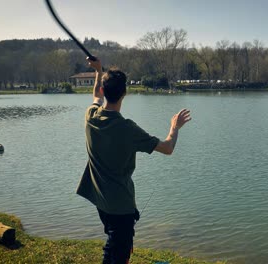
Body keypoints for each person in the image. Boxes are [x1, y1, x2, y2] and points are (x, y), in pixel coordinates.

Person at [76, 57, 191, 264]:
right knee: (120, 254)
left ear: (103, 90)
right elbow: (167, 148)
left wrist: (98, 71)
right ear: (124, 94)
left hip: (100, 202)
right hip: (121, 208)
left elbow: (95, 96)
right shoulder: (128, 129)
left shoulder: (90, 116)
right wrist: (175, 127)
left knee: (112, 244)